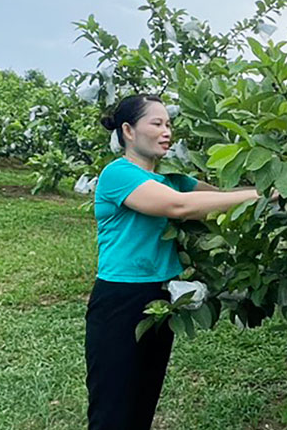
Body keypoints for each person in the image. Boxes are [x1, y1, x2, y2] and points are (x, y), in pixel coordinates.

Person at [85, 94, 260, 429]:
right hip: (121, 300)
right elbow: (180, 206)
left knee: (143, 400)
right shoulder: (117, 174)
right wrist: (263, 195)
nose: (167, 131)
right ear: (129, 131)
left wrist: (276, 187)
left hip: (162, 298)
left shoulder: (172, 177)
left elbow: (223, 198)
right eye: (157, 123)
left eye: (169, 124)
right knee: (113, 408)